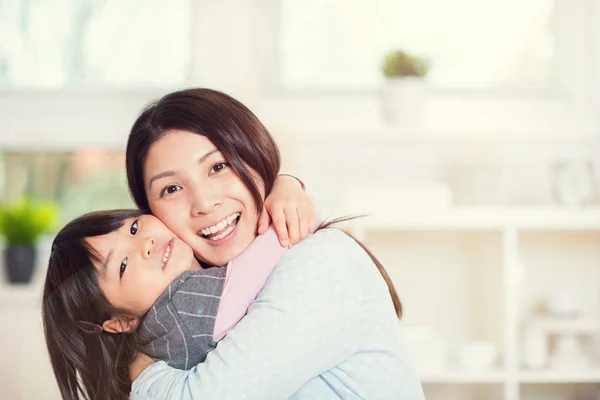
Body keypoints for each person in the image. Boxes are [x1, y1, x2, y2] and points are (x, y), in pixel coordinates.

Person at [126, 88, 424, 399]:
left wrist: (140, 366)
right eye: (172, 188)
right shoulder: (204, 304)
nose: (203, 202)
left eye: (218, 167)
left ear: (255, 155)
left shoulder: (319, 261)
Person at [42, 210, 289, 400]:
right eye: (122, 266)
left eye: (134, 228)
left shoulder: (154, 340)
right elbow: (279, 242)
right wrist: (285, 193)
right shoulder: (180, 309)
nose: (145, 244)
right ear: (120, 322)